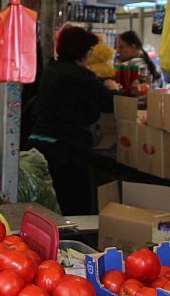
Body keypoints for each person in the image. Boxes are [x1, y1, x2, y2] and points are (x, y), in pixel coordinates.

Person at [28, 25, 119, 215]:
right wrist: (112, 89)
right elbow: (109, 104)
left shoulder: (52, 70)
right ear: (83, 52)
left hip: (39, 142)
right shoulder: (82, 76)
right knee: (74, 207)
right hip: (66, 150)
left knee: (48, 205)